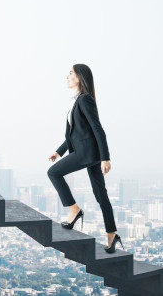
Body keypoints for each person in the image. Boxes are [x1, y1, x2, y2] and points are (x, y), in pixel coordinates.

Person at [47, 64, 123, 253]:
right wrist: (59, 152)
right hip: (90, 152)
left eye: (71, 73)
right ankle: (112, 235)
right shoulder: (77, 100)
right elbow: (75, 135)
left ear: (80, 77)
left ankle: (74, 210)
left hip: (87, 153)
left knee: (53, 173)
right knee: (100, 195)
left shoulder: (84, 100)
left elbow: (98, 129)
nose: (67, 77)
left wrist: (106, 158)